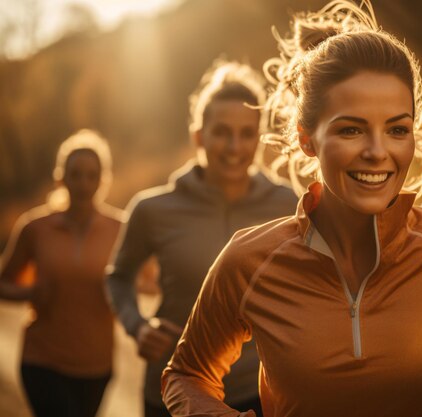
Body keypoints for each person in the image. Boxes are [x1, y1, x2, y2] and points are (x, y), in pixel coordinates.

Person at [161, 2, 422, 416]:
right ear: (307, 139)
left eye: (397, 129)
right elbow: (186, 374)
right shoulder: (248, 261)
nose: (378, 152)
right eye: (351, 129)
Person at [106, 60, 297, 417]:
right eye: (222, 132)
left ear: (260, 137)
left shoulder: (289, 204)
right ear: (199, 136)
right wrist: (138, 326)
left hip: (258, 392)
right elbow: (118, 277)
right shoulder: (152, 209)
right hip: (173, 388)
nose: (235, 146)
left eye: (246, 133)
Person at [0, 130, 123, 417]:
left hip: (97, 364)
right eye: (75, 174)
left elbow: (144, 283)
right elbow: (3, 283)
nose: (83, 183)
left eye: (91, 175)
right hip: (42, 358)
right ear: (61, 178)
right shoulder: (35, 227)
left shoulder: (121, 229)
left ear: (102, 180)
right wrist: (30, 292)